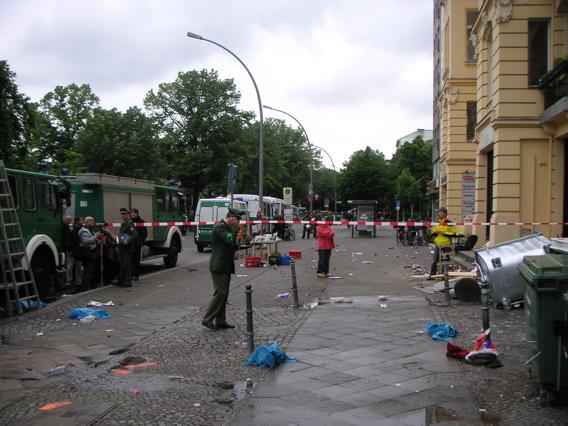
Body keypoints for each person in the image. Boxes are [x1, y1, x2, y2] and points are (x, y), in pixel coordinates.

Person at [202, 208, 243, 330]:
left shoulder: (226, 227)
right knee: (221, 292)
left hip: (225, 264)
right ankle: (207, 319)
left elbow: (230, 243)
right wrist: (236, 228)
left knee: (224, 293)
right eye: (237, 220)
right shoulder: (219, 227)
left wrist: (234, 250)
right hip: (218, 265)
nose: (238, 223)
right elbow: (229, 238)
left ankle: (220, 320)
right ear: (232, 218)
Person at [429, 207, 456, 279]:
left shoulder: (450, 223)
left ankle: (445, 275)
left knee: (445, 260)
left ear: (445, 214)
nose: (439, 214)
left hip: (446, 243)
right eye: (439, 213)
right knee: (435, 260)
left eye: (440, 213)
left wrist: (443, 233)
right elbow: (433, 231)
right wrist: (433, 232)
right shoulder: (437, 222)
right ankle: (432, 275)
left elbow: (453, 233)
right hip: (438, 243)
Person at [114, 207, 137, 287]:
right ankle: (121, 280)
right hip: (122, 247)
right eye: (122, 214)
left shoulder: (129, 223)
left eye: (124, 214)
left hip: (127, 248)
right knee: (122, 265)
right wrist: (117, 245)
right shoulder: (124, 223)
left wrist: (128, 241)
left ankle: (127, 282)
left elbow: (134, 234)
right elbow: (120, 236)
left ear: (128, 215)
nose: (123, 215)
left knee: (127, 265)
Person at [77, 216, 101, 290]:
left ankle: (91, 285)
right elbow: (85, 241)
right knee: (88, 269)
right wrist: (95, 237)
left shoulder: (89, 229)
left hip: (91, 252)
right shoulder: (84, 230)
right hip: (87, 253)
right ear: (87, 222)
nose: (93, 222)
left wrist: (97, 239)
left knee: (91, 269)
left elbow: (92, 240)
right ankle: (86, 286)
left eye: (93, 220)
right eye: (91, 221)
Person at [130, 208, 147, 281]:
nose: (132, 214)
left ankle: (136, 275)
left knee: (136, 259)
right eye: (131, 213)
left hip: (137, 243)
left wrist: (140, 241)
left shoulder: (141, 222)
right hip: (130, 243)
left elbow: (145, 233)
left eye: (134, 213)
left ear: (137, 213)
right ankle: (130, 274)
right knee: (130, 259)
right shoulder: (129, 222)